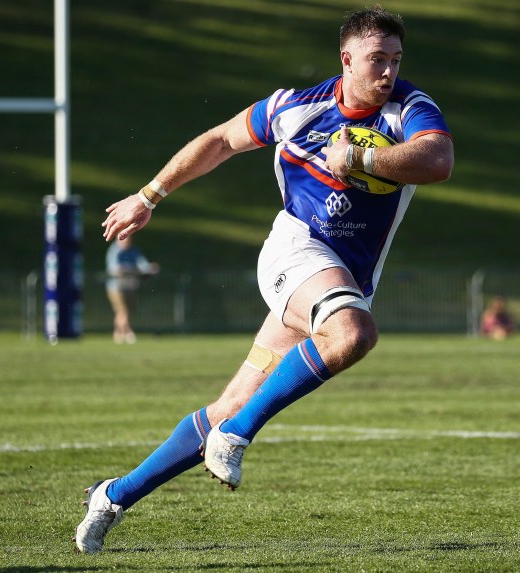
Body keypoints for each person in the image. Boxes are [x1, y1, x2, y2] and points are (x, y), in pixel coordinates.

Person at [74, 6, 453, 554]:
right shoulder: (295, 107)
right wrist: (148, 195)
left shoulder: (409, 109)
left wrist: (364, 160)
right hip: (295, 252)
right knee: (352, 334)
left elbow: (437, 159)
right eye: (376, 60)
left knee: (231, 402)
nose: (388, 72)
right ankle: (237, 435)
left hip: (341, 277)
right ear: (346, 60)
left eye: (395, 60)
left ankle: (112, 495)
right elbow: (221, 140)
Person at [105, 235, 159, 344]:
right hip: (116, 287)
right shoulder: (114, 251)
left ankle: (118, 334)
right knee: (123, 310)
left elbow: (142, 264)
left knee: (124, 312)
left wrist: (150, 268)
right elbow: (114, 269)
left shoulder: (134, 251)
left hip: (130, 286)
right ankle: (128, 332)